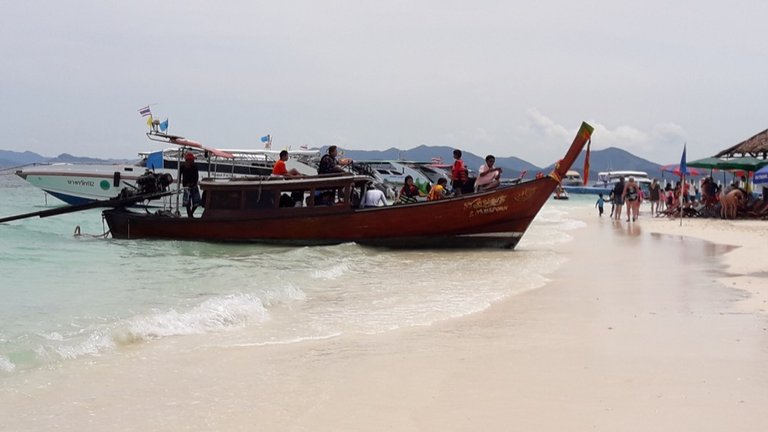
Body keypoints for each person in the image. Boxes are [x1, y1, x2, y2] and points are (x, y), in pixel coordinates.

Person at [180, 152, 200, 218]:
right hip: (186, 186)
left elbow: (196, 177)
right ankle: (189, 215)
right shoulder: (182, 167)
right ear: (188, 160)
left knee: (197, 202)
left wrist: (193, 184)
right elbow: (179, 175)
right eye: (192, 160)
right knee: (187, 203)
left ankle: (191, 213)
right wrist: (182, 184)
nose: (193, 161)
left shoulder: (195, 167)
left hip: (193, 186)